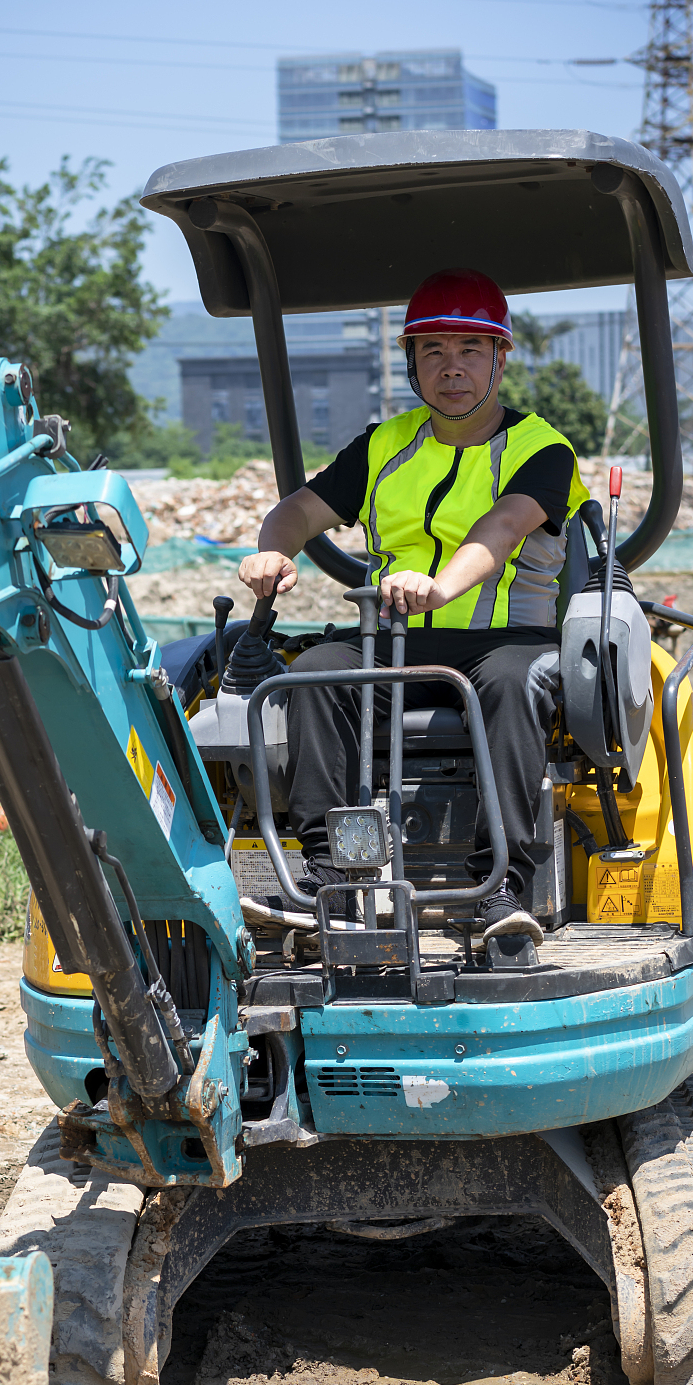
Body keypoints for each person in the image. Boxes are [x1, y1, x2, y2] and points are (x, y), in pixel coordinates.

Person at [237, 268, 588, 943]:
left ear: (501, 357)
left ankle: (502, 888)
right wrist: (273, 552)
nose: (451, 368)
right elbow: (297, 511)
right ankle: (333, 877)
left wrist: (441, 586)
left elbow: (506, 524)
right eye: (433, 351)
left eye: (469, 350)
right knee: (314, 671)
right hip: (396, 645)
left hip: (506, 640)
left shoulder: (543, 449)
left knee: (516, 684)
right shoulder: (383, 446)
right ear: (411, 362)